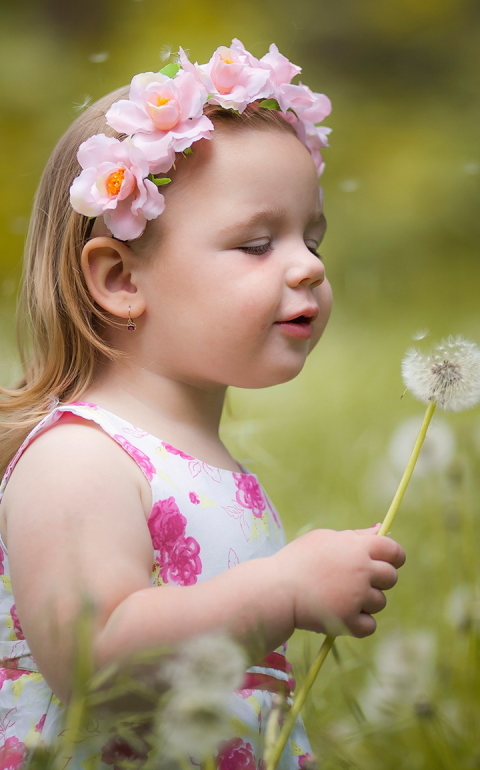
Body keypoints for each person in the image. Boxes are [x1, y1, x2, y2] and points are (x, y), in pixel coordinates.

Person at [0, 39, 405, 769]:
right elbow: (90, 664)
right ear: (121, 280)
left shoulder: (203, 464)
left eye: (312, 237)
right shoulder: (78, 459)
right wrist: (280, 592)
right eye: (257, 243)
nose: (309, 265)